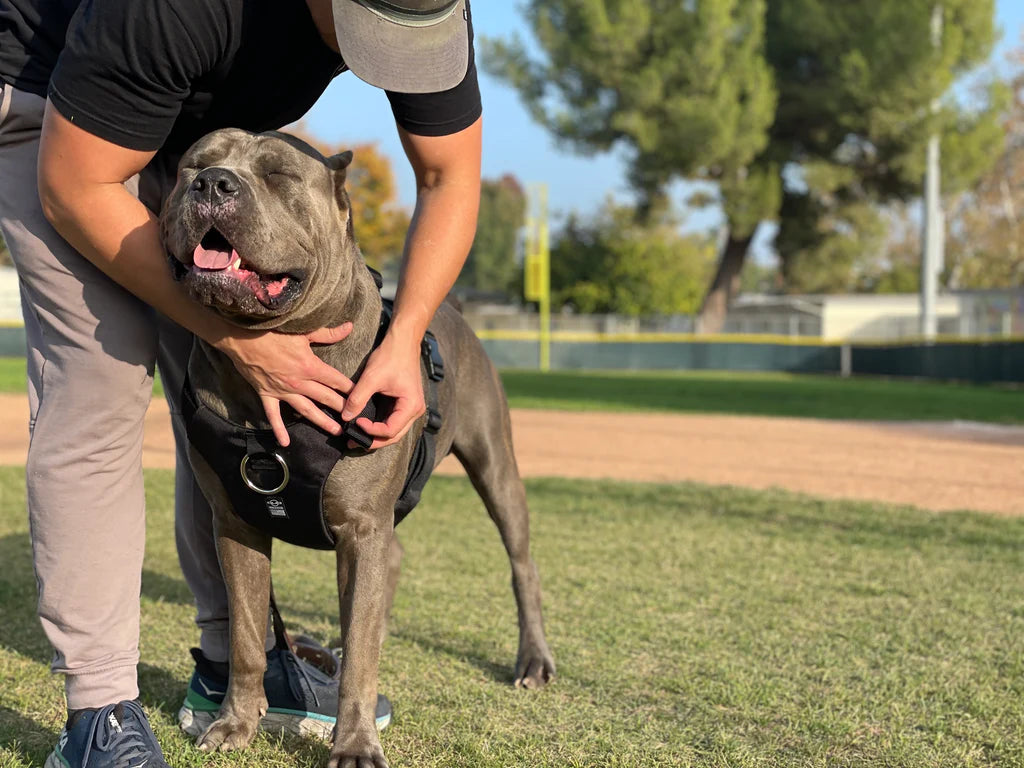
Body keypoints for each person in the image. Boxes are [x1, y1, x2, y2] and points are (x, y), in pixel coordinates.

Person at [0, 0, 481, 765]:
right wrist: (233, 339)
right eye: (367, 35)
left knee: (220, 411)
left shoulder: (426, 10)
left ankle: (230, 666)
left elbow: (448, 173)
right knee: (100, 378)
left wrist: (407, 333)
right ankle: (98, 715)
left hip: (208, 147)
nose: (378, 62)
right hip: (67, 112)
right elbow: (72, 185)